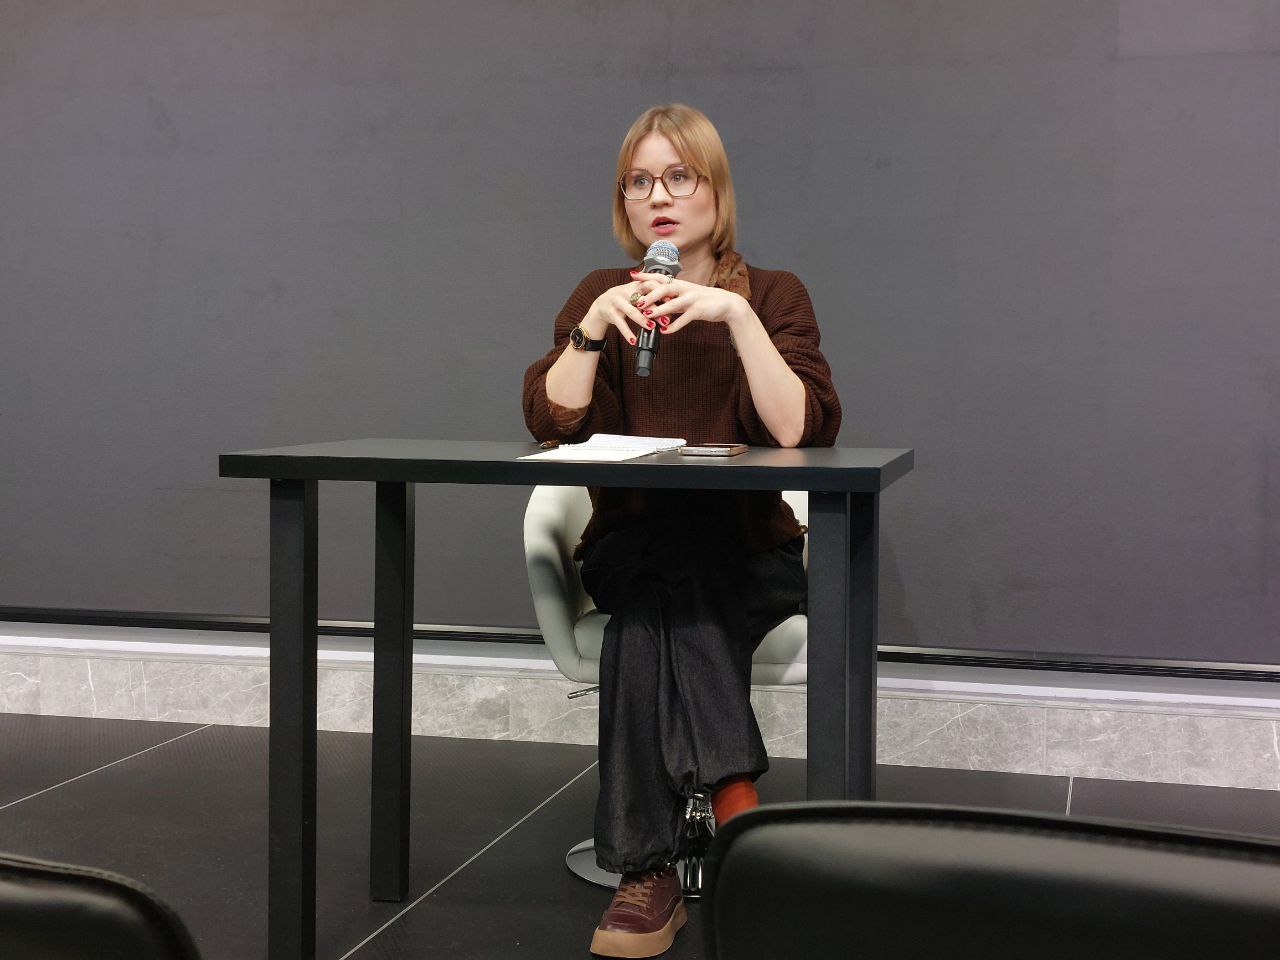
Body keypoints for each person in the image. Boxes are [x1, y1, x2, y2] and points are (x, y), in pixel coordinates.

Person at [521, 103, 841, 958]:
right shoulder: (601, 293)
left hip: (751, 556)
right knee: (664, 557)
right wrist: (592, 330)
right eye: (639, 182)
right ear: (623, 202)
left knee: (648, 616)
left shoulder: (774, 294)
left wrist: (734, 317)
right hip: (631, 550)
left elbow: (799, 427)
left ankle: (645, 874)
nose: (658, 197)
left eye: (678, 177)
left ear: (715, 191)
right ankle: (736, 803)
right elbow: (551, 417)